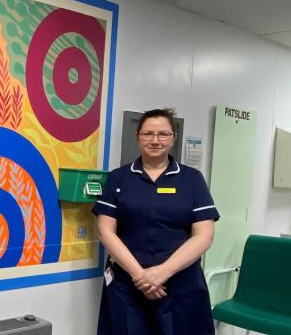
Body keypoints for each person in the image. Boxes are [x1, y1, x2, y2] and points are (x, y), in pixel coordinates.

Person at [92, 108, 219, 335]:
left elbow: (205, 235)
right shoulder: (119, 178)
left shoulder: (192, 179)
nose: (155, 140)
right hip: (127, 284)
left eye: (163, 134)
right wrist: (140, 276)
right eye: (148, 133)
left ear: (173, 138)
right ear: (137, 136)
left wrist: (162, 272)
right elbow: (105, 231)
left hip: (180, 285)